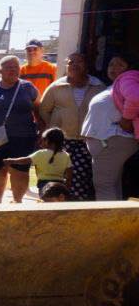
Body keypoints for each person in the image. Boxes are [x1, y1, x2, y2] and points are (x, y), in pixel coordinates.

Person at [37, 52, 104, 200]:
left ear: (86, 65)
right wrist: (53, 127)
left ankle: (77, 208)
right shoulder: (56, 87)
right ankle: (54, 208)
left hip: (86, 142)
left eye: (79, 62)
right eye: (70, 62)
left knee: (81, 177)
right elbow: (43, 109)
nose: (74, 65)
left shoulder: (98, 86)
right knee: (56, 176)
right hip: (62, 141)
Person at [0, 55, 39, 203]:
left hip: (23, 137)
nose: (13, 70)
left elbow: (38, 108)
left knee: (20, 171)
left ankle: (17, 202)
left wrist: (42, 129)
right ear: (0, 70)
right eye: (9, 67)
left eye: (16, 67)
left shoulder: (27, 88)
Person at [83, 55, 139, 201]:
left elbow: (135, 98)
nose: (114, 68)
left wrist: (126, 120)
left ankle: (106, 222)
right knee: (112, 183)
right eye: (111, 65)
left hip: (113, 139)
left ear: (129, 67)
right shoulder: (118, 85)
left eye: (119, 64)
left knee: (104, 184)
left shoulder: (128, 78)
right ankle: (116, 221)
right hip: (109, 141)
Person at [5, 127, 73, 193]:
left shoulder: (41, 153)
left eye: (43, 139)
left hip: (44, 185)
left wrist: (11, 160)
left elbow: (26, 160)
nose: (40, 142)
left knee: (47, 201)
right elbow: (69, 173)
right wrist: (67, 187)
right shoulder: (66, 155)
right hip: (60, 185)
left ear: (48, 141)